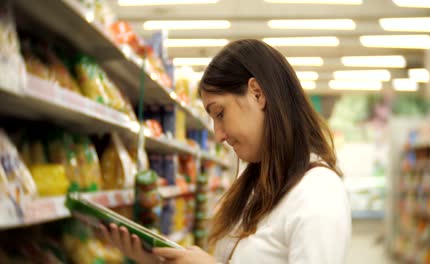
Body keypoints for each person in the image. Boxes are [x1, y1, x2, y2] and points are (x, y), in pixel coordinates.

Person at [100, 39, 351, 264]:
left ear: (257, 93)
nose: (218, 134)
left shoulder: (318, 193)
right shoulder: (255, 187)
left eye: (220, 114)